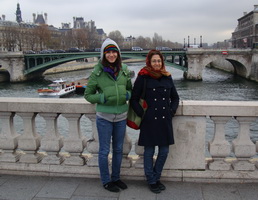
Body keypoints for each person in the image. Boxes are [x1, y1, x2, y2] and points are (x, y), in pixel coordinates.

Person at [84, 38, 132, 192]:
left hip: (121, 116)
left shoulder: (124, 69)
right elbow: (88, 95)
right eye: (108, 52)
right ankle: (106, 180)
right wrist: (102, 98)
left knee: (118, 149)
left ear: (118, 54)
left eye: (114, 52)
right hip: (104, 117)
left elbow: (131, 89)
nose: (111, 55)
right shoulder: (97, 72)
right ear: (103, 55)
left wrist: (127, 95)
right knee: (104, 151)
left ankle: (116, 178)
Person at [130, 49, 179, 193]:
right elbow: (133, 99)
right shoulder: (143, 77)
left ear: (162, 62)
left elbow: (175, 97)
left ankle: (157, 177)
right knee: (149, 151)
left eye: (159, 61)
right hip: (149, 120)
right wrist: (142, 114)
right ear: (149, 62)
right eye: (154, 61)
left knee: (164, 151)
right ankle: (151, 180)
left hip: (164, 119)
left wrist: (172, 110)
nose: (157, 63)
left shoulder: (167, 77)